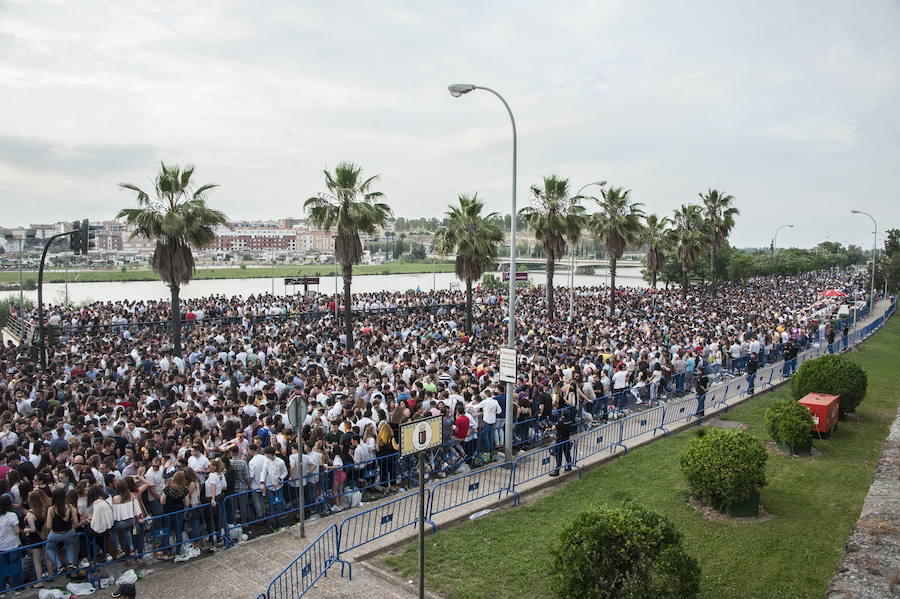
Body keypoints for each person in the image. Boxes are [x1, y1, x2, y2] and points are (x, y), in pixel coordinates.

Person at [44, 487, 79, 573]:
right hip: (69, 532)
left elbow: (49, 526)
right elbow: (76, 521)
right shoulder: (70, 507)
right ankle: (71, 563)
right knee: (69, 545)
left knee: (49, 548)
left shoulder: (51, 509)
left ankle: (59, 565)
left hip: (56, 534)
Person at [0, 495, 22, 594]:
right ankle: (18, 587)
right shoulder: (12, 515)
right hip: (13, 544)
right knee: (15, 567)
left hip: (1, 546)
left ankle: (2, 590)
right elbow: (17, 531)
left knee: (3, 569)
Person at [548, 408, 573, 477]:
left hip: (560, 440)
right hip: (567, 439)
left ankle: (557, 470)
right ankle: (569, 466)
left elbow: (554, 428)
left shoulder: (561, 422)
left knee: (558, 455)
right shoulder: (570, 420)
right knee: (567, 454)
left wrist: (550, 427)